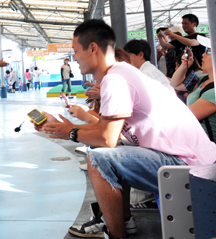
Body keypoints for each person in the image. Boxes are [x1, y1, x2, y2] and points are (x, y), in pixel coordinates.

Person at [35, 19, 216, 239]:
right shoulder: (121, 73)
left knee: (99, 158)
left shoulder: (116, 80)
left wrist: (70, 132)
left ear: (93, 48)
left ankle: (116, 234)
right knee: (113, 152)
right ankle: (125, 220)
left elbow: (108, 139)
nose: (74, 58)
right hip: (193, 159)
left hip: (188, 164)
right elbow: (108, 130)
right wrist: (66, 126)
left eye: (75, 50)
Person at [170, 35, 215, 141]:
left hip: (207, 151)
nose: (203, 55)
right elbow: (175, 84)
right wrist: (185, 64)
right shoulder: (204, 79)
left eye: (208, 51)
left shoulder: (214, 93)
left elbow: (185, 118)